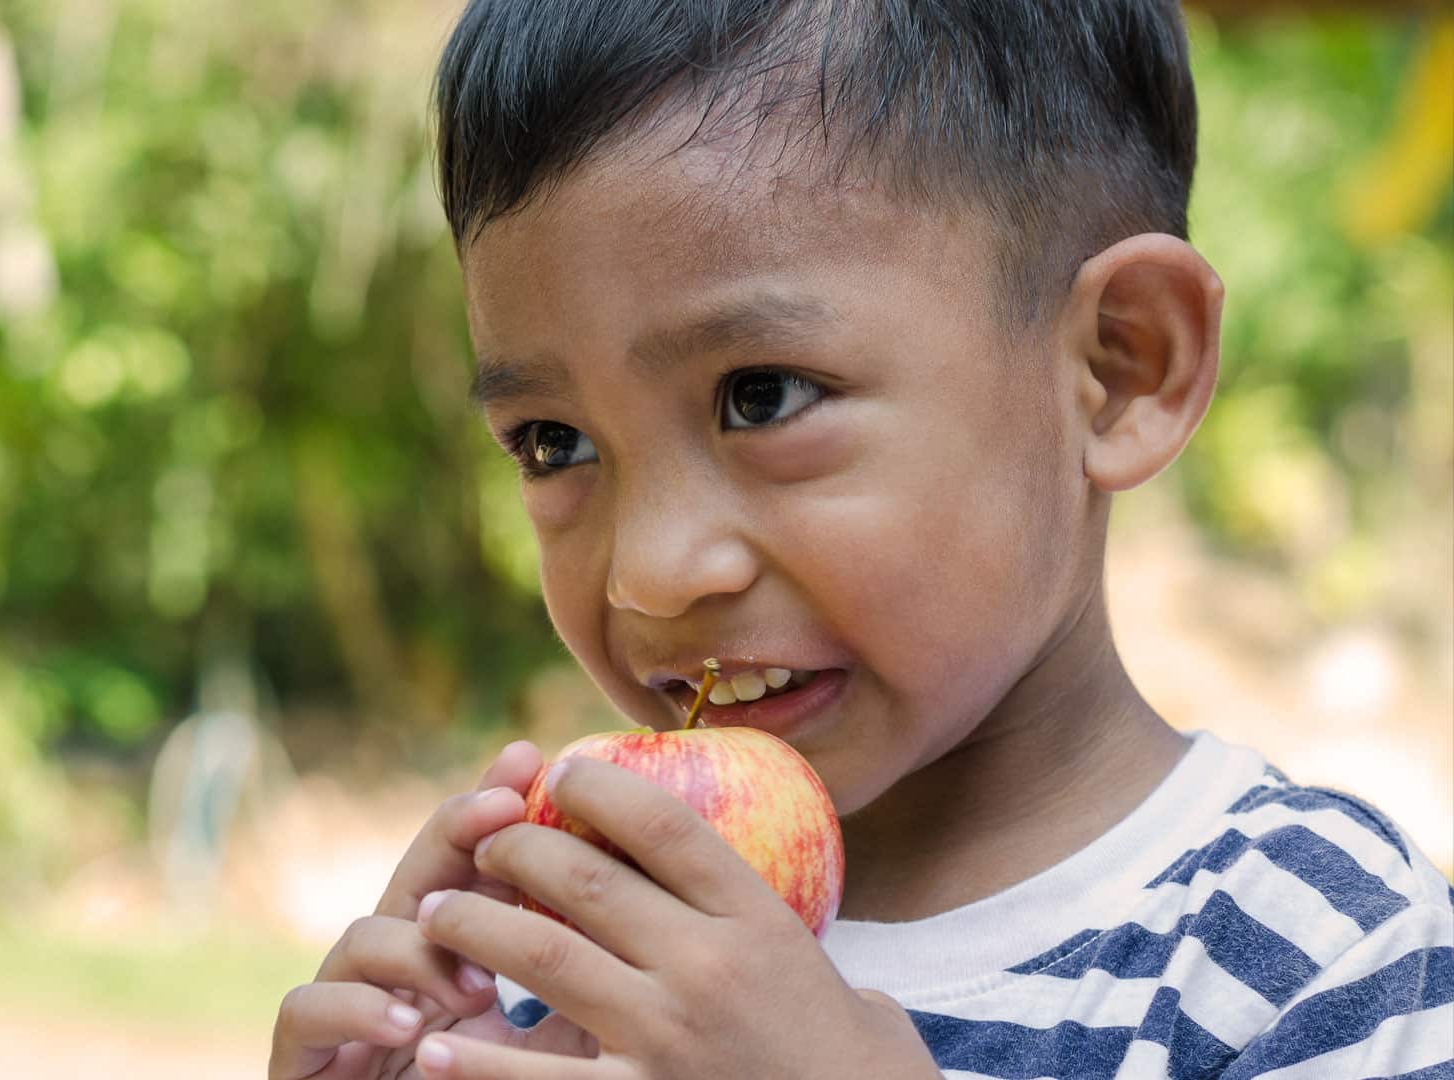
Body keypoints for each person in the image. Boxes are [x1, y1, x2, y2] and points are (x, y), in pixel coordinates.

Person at [269, 0, 1454, 1076]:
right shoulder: (579, 972)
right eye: (552, 443)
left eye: (762, 397)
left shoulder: (1327, 960)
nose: (651, 574)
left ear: (1118, 369)